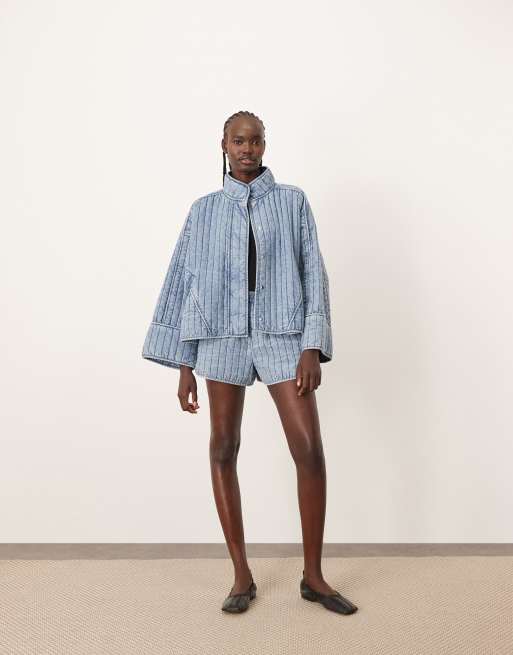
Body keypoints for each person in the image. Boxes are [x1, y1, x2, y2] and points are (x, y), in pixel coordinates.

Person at [142, 110, 358, 616]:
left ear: (265, 145)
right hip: (220, 337)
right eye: (239, 141)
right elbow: (182, 280)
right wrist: (184, 363)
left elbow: (313, 270)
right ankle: (241, 575)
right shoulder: (203, 211)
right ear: (223, 144)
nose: (247, 149)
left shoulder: (292, 201)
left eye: (255, 141)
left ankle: (314, 577)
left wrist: (311, 344)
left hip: (283, 333)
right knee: (223, 447)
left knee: (309, 449)